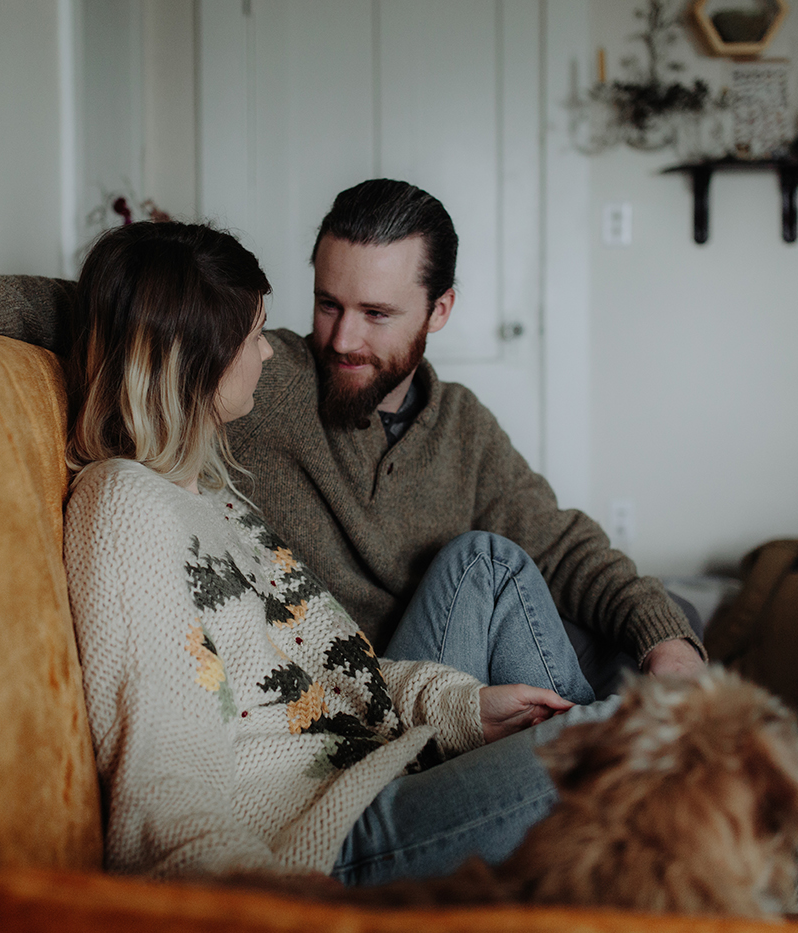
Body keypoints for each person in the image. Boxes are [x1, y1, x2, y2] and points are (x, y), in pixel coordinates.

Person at [0, 179, 706, 693]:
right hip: (339, 711)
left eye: (376, 312)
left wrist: (668, 642)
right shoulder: (258, 377)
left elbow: (565, 545)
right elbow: (104, 305)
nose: (342, 338)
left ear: (441, 310)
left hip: (434, 690)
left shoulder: (464, 429)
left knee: (632, 634)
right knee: (491, 564)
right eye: (328, 302)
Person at [54, 219, 610, 884]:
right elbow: (163, 775)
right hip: (322, 843)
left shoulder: (216, 501)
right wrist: (262, 908)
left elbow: (341, 677)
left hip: (372, 766)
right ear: (197, 355)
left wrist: (468, 708)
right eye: (254, 334)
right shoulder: (126, 507)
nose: (267, 353)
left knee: (627, 723)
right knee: (636, 739)